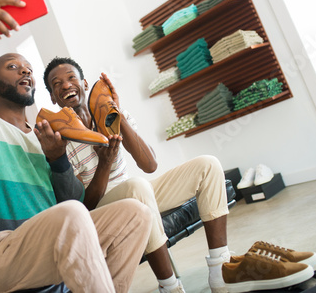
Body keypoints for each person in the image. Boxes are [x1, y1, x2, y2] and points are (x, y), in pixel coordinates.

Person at [0, 0, 153, 293]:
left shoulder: (47, 135)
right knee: (71, 217)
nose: (26, 72)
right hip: (0, 256)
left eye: (28, 69)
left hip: (50, 247)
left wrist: (58, 158)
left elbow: (73, 201)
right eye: (14, 67)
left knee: (135, 213)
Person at [43, 57, 231, 293]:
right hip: (107, 208)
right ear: (52, 96)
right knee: (137, 187)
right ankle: (170, 287)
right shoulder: (64, 142)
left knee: (208, 165)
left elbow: (149, 165)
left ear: (84, 83)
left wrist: (115, 113)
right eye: (56, 83)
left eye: (71, 77)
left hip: (139, 191)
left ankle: (220, 268)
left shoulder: (109, 113)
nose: (66, 85)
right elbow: (86, 205)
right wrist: (104, 163)